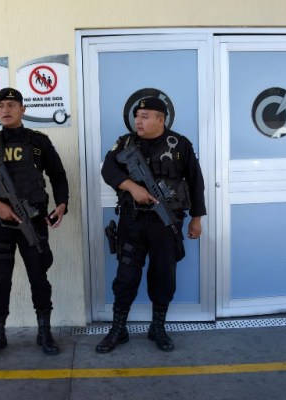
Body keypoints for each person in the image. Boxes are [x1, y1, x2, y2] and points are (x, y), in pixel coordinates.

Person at [0, 87, 69, 359]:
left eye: (11, 105)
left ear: (23, 109)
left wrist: (62, 203)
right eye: (0, 106)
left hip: (33, 220)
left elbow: (58, 175)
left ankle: (44, 332)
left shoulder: (38, 142)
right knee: (0, 282)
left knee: (39, 278)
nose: (5, 110)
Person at [97, 97, 206, 353]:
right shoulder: (125, 142)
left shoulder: (179, 144)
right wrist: (131, 186)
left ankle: (157, 327)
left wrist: (197, 218)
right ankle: (118, 329)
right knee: (126, 277)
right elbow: (108, 170)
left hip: (165, 225)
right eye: (137, 115)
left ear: (161, 119)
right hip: (132, 221)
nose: (138, 120)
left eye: (145, 116)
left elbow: (195, 182)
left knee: (163, 276)